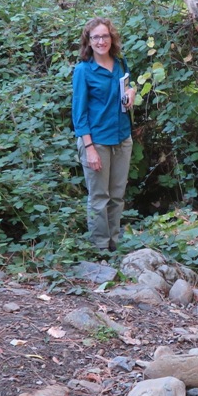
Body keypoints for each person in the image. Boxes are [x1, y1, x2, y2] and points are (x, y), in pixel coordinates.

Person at [72, 17, 136, 252]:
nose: (101, 41)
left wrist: (131, 92)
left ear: (112, 38)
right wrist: (89, 149)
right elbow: (79, 115)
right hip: (96, 141)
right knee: (100, 198)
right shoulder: (83, 70)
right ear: (88, 41)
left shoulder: (120, 62)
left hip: (122, 137)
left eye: (105, 36)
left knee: (117, 196)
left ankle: (114, 245)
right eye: (96, 37)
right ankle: (100, 249)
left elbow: (129, 85)